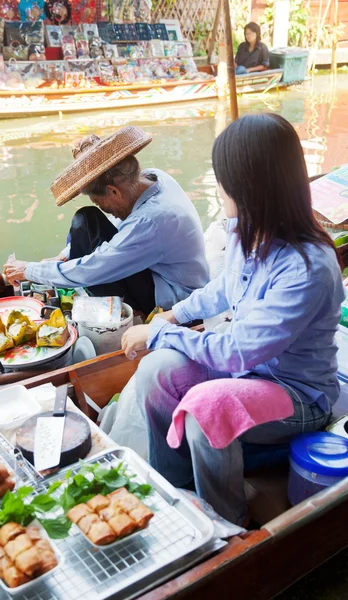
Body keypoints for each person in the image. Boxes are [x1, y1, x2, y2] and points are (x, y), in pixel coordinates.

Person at [121, 113, 344, 525]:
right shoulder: (248, 231)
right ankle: (177, 493)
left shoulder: (307, 267)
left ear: (250, 187)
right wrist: (174, 314)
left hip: (297, 397)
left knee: (209, 407)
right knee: (156, 372)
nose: (219, 186)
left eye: (224, 178)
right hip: (251, 377)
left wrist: (158, 331)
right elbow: (223, 288)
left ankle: (223, 524)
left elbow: (235, 352)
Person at [4, 126, 209, 316]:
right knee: (86, 219)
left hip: (176, 298)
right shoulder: (154, 177)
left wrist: (29, 270)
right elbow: (120, 225)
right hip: (164, 271)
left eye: (101, 203)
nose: (106, 210)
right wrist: (64, 256)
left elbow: (92, 269)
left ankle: (131, 313)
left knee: (89, 261)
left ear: (113, 191)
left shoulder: (149, 222)